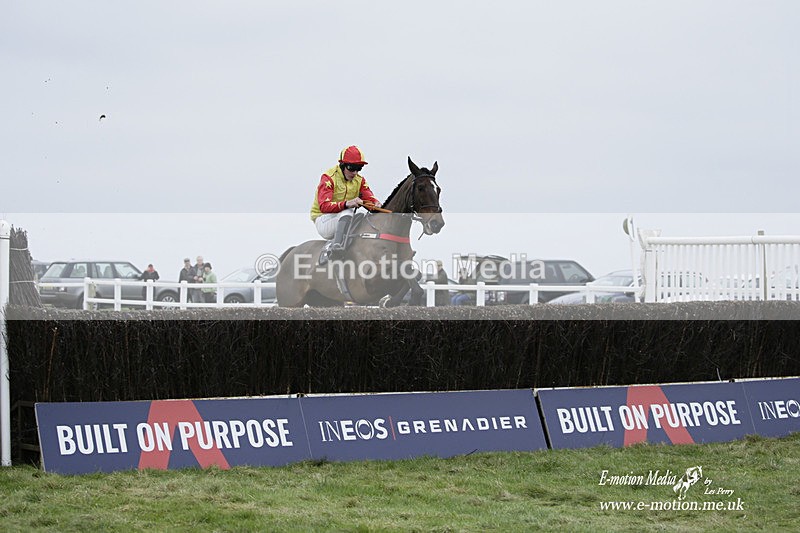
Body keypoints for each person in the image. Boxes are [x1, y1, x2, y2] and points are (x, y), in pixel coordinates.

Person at [310, 145, 382, 260]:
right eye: (351, 167)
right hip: (323, 220)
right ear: (342, 165)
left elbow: (369, 197)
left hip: (342, 220)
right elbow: (324, 206)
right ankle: (336, 247)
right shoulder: (328, 178)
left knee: (361, 216)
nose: (355, 172)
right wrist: (347, 203)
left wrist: (376, 204)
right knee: (347, 211)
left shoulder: (360, 180)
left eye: (359, 168)